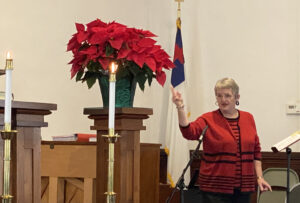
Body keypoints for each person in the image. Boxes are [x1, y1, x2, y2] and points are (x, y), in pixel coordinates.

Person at [171, 77, 272, 203]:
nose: (223, 100)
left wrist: (260, 177)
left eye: (227, 95)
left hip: (243, 189)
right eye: (219, 96)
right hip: (214, 189)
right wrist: (180, 107)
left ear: (237, 97)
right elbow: (188, 132)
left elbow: (256, 152)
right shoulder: (208, 119)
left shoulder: (248, 118)